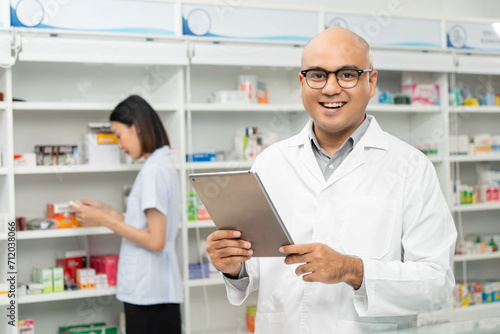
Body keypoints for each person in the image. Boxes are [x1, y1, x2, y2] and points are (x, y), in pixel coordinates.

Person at [206, 27, 457, 333]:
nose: (330, 88)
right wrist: (234, 267)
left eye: (348, 74)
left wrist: (353, 270)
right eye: (317, 75)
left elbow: (437, 283)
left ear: (371, 81)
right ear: (302, 82)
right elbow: (259, 267)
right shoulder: (270, 163)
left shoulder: (410, 167)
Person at [70, 95, 182, 334]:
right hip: (151, 291)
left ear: (137, 127)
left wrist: (103, 220)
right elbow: (144, 225)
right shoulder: (157, 165)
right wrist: (106, 210)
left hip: (150, 293)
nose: (119, 145)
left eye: (119, 135)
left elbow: (155, 240)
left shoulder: (154, 171)